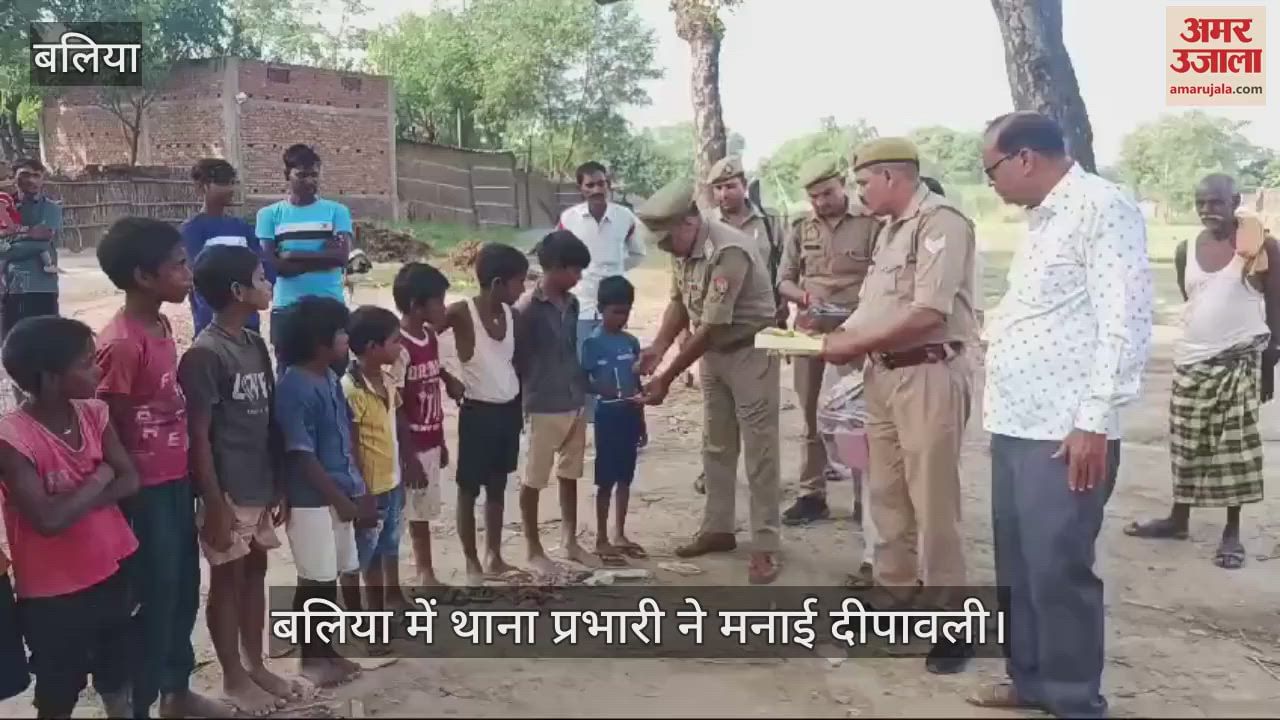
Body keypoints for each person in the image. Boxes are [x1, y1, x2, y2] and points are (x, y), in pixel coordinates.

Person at [971, 112, 1153, 718]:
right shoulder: (1044, 221)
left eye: (991, 168)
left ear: (1025, 158)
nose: (990, 181)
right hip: (1018, 421)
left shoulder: (1102, 208)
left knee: (1058, 569)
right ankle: (1030, 681)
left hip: (1066, 430)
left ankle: (1075, 701)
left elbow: (1123, 322)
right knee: (1018, 564)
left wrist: (1094, 420)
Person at [820, 138, 979, 675]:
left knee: (933, 499)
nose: (860, 192)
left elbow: (930, 312)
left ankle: (952, 619)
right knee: (886, 492)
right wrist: (832, 330)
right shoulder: (891, 231)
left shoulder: (941, 223)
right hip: (885, 375)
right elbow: (878, 309)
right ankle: (895, 594)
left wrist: (852, 343)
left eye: (864, 183)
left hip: (929, 371)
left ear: (892, 177)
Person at [95, 217, 228, 718]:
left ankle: (176, 689)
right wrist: (130, 493)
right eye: (178, 265)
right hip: (144, 493)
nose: (189, 273)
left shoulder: (161, 324)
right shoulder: (122, 343)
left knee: (181, 590)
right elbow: (111, 427)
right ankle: (139, 701)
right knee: (150, 597)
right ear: (144, 277)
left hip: (174, 481)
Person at [1125, 173, 1278, 569]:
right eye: (1201, 203)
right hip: (1191, 363)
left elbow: (1276, 308)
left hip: (1238, 363)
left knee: (1235, 450)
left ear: (1236, 201)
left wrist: (1268, 365)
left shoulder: (1262, 247)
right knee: (1187, 445)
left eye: (1217, 202)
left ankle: (1231, 532)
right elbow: (1193, 299)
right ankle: (1179, 519)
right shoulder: (1185, 249)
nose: (1209, 210)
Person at [634, 177, 783, 585]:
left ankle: (766, 545)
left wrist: (666, 377)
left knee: (760, 453)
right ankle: (718, 528)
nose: (664, 248)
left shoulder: (728, 250)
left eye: (667, 240)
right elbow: (680, 302)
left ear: (688, 222)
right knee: (716, 445)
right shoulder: (682, 247)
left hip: (750, 351)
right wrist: (658, 346)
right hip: (716, 357)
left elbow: (712, 327)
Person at [179, 245, 301, 715]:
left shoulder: (253, 344)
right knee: (227, 579)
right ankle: (232, 675)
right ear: (237, 291)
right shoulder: (205, 355)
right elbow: (199, 435)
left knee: (256, 572)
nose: (268, 282)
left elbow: (267, 418)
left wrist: (279, 482)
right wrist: (214, 502)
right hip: (227, 490)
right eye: (259, 276)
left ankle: (256, 664)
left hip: (259, 482)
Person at [0, 316, 138, 718]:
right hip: (53, 594)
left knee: (117, 676)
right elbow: (48, 521)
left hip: (111, 567)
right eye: (86, 363)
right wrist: (99, 477)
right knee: (59, 690)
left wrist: (73, 499)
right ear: (50, 378)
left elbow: (129, 479)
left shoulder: (94, 413)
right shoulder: (12, 439)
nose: (98, 369)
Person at [275, 295, 373, 687]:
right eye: (340, 334)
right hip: (314, 500)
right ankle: (310, 658)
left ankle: (327, 651)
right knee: (315, 581)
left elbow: (346, 438)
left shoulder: (329, 378)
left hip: (339, 493)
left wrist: (358, 490)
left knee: (329, 578)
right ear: (319, 343)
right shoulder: (294, 387)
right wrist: (337, 499)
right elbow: (300, 454)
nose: (346, 339)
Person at [777, 154, 880, 525]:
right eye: (814, 197)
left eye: (827, 193)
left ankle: (860, 499)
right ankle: (811, 494)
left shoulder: (870, 224)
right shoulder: (801, 227)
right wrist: (803, 297)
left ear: (843, 186)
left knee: (855, 418)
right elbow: (784, 279)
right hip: (810, 332)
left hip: (854, 335)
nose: (821, 202)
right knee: (809, 419)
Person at [441, 243, 528, 587]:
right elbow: (417, 342)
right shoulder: (462, 313)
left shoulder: (512, 316)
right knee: (468, 489)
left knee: (498, 485)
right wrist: (446, 377)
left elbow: (512, 363)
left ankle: (494, 555)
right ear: (496, 284)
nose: (523, 289)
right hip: (478, 411)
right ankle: (471, 560)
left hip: (508, 411)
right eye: (519, 281)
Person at [514, 230, 593, 574]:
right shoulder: (527, 309)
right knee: (533, 479)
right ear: (556, 268)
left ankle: (569, 540)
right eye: (575, 271)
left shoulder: (572, 305)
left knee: (570, 473)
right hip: (541, 402)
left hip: (573, 399)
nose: (578, 278)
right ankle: (533, 547)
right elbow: (518, 359)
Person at [389, 262, 462, 591]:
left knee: (423, 513)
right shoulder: (399, 348)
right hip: (411, 445)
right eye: (439, 302)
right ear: (418, 306)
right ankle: (404, 579)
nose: (443, 308)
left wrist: (441, 443)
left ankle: (425, 572)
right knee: (402, 516)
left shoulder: (429, 336)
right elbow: (397, 405)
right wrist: (409, 455)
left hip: (431, 437)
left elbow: (432, 379)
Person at [556, 161, 646, 425]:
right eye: (590, 184)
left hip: (615, 302)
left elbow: (638, 253)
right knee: (585, 360)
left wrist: (615, 272)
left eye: (601, 183)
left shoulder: (624, 217)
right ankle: (589, 421)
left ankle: (623, 414)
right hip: (583, 300)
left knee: (618, 358)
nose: (597, 189)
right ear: (580, 188)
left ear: (609, 184)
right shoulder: (569, 218)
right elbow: (558, 252)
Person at [343, 306, 414, 621]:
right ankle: (361, 617)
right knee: (360, 557)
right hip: (370, 488)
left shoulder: (386, 380)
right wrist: (362, 492)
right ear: (372, 347)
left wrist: (408, 461)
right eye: (395, 340)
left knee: (388, 546)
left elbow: (396, 421)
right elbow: (352, 446)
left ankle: (386, 604)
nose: (401, 347)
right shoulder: (351, 390)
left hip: (391, 481)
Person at [256, 144, 352, 372]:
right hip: (288, 309)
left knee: (335, 376)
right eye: (301, 175)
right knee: (289, 375)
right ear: (286, 176)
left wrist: (291, 254)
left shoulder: (337, 211)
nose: (309, 181)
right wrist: (322, 255)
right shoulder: (269, 215)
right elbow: (273, 265)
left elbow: (341, 257)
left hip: (330, 306)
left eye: (314, 175)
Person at [582, 275, 646, 564]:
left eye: (626, 311)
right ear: (600, 309)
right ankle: (601, 538)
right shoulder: (593, 343)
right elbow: (581, 379)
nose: (621, 317)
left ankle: (620, 533)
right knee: (605, 480)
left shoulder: (631, 343)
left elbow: (638, 384)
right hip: (607, 415)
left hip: (629, 414)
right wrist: (599, 389)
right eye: (615, 312)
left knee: (625, 478)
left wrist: (642, 420)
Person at [181, 158, 274, 339]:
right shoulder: (192, 230)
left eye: (232, 183)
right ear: (203, 187)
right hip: (212, 324)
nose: (230, 189)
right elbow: (198, 278)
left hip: (248, 323)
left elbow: (263, 266)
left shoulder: (240, 227)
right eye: (223, 183)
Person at [1, 159, 62, 340]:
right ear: (13, 178)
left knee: (45, 345)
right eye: (25, 175)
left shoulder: (52, 208)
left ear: (43, 179)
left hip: (41, 286)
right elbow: (34, 239)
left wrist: (8, 241)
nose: (31, 180)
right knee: (12, 346)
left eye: (36, 175)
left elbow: (41, 243)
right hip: (8, 286)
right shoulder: (3, 205)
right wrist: (28, 233)